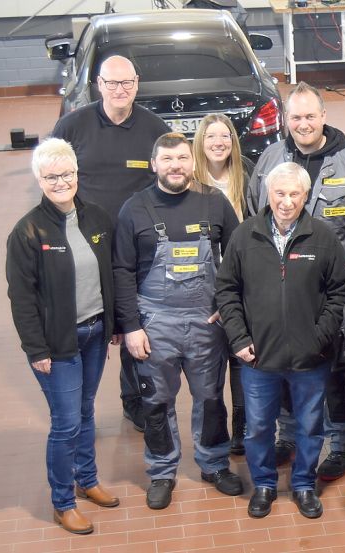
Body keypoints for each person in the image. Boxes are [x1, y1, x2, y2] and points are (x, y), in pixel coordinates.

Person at [113, 133, 243, 510]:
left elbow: (237, 260)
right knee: (157, 401)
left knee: (211, 399)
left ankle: (215, 463)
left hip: (207, 322)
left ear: (192, 161)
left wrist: (228, 306)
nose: (175, 166)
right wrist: (131, 325)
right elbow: (121, 270)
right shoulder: (133, 209)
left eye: (182, 158)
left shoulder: (214, 202)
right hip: (156, 324)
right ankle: (161, 472)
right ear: (154, 164)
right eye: (167, 159)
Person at [246, 82, 345, 477]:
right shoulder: (269, 159)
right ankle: (288, 436)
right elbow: (254, 216)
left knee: (337, 369)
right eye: (295, 117)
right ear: (286, 119)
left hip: (335, 290)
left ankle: (344, 442)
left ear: (323, 116)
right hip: (282, 287)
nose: (303, 124)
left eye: (309, 116)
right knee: (282, 362)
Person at [215, 162, 345, 520]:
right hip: (258, 356)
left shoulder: (323, 237)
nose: (287, 201)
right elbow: (227, 290)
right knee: (258, 426)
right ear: (268, 194)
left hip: (311, 358)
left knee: (310, 425)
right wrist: (239, 338)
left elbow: (340, 292)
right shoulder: (245, 236)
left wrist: (319, 338)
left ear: (306, 196)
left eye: (295, 194)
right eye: (280, 193)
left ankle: (304, 484)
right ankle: (264, 484)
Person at [51, 54, 171, 432]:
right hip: (87, 246)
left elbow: (169, 180)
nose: (120, 90)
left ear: (137, 84)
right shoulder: (72, 126)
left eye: (128, 83)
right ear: (98, 85)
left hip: (138, 244)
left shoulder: (154, 129)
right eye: (112, 83)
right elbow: (52, 178)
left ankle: (134, 400)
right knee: (90, 324)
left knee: (135, 321)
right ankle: (78, 408)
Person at [6, 138, 120, 535]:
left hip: (93, 333)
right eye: (51, 176)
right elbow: (21, 299)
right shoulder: (27, 233)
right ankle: (62, 502)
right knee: (66, 423)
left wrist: (115, 325)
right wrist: (36, 349)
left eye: (66, 174)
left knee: (86, 411)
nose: (60, 182)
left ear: (77, 173)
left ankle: (87, 480)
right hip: (57, 345)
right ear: (38, 179)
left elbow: (110, 275)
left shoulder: (97, 219)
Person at [192, 112, 254, 455]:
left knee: (242, 358)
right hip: (205, 287)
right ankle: (212, 436)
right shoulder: (191, 182)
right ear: (200, 142)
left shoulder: (246, 176)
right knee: (210, 365)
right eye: (211, 136)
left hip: (244, 283)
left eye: (225, 136)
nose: (219, 143)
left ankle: (242, 432)